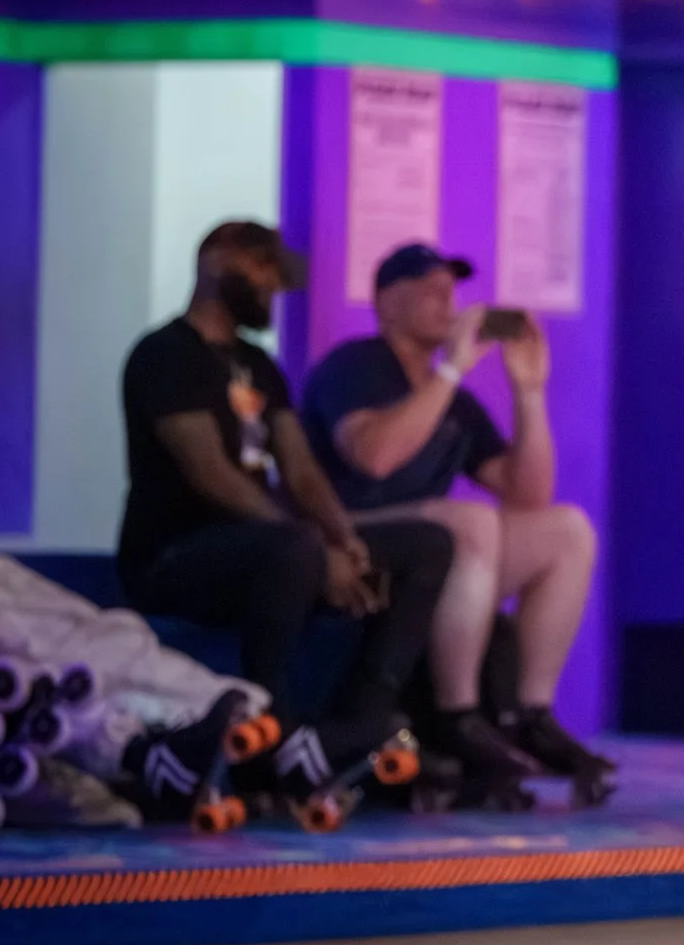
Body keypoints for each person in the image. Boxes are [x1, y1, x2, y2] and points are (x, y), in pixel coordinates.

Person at [118, 222, 455, 750]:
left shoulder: (260, 366)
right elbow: (211, 474)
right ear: (215, 261)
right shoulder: (164, 354)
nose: (274, 285)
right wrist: (318, 548)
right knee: (295, 547)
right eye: (263, 268)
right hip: (173, 555)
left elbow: (300, 470)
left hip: (263, 549)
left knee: (430, 544)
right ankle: (268, 728)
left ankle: (361, 720)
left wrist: (343, 538)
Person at [300, 243, 610, 808]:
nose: (450, 300)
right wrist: (449, 370)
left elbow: (528, 494)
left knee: (567, 529)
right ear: (387, 303)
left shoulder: (455, 400)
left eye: (453, 288)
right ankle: (457, 715)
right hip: (347, 542)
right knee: (468, 521)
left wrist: (529, 391)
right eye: (431, 288)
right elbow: (375, 456)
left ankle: (529, 714)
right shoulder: (356, 365)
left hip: (433, 552)